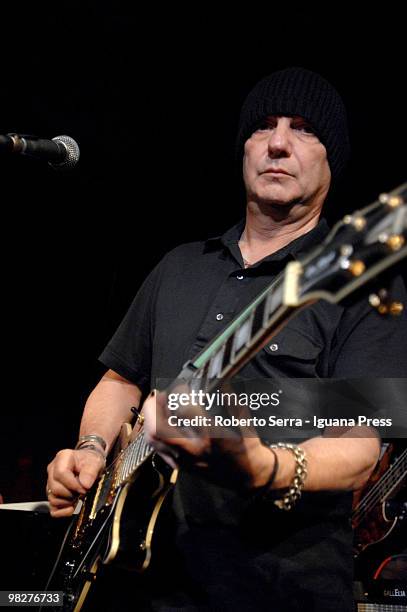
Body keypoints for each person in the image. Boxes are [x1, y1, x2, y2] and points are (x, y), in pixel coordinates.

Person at [46, 67, 407, 611]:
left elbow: (359, 445)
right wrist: (92, 451)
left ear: (332, 159)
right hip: (138, 583)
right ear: (243, 148)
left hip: (277, 589)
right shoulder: (180, 266)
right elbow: (120, 380)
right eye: (263, 127)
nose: (278, 144)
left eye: (305, 130)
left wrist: (267, 467)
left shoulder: (354, 278)